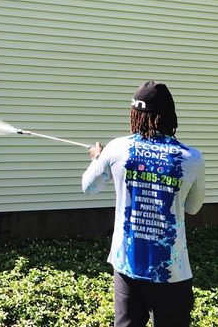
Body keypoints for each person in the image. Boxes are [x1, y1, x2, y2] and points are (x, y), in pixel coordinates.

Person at [82, 80, 205, 327]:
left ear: (135, 114)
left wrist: (98, 159)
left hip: (127, 266)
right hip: (171, 271)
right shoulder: (191, 158)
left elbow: (89, 187)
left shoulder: (117, 148)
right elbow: (193, 207)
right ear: (170, 116)